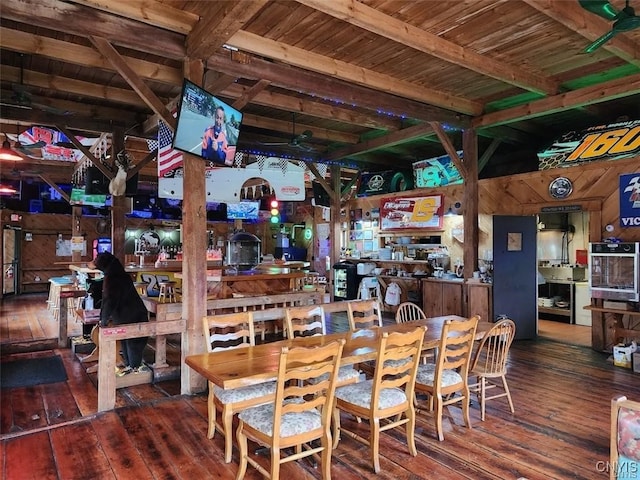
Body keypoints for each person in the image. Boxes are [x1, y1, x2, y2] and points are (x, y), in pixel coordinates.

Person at [89, 252, 149, 376]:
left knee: (133, 345)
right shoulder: (117, 275)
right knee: (127, 343)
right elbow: (108, 300)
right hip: (129, 315)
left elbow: (110, 300)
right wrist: (103, 317)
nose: (92, 263)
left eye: (95, 261)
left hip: (133, 317)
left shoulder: (113, 278)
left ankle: (134, 368)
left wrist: (103, 320)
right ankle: (130, 366)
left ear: (103, 264)